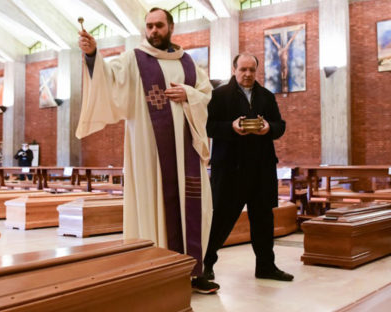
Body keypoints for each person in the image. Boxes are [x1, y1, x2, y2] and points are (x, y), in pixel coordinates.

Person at [77, 7, 218, 293]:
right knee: (154, 201)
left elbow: (206, 95)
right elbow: (108, 79)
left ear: (171, 28)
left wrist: (188, 95)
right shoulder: (133, 59)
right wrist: (93, 55)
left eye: (159, 26)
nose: (153, 31)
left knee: (196, 205)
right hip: (149, 152)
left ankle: (194, 271)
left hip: (186, 152)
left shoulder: (189, 63)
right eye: (149, 26)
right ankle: (154, 267)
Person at [201, 53, 293, 284]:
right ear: (234, 70)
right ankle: (205, 265)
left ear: (256, 71)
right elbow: (208, 126)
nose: (248, 74)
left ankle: (266, 266)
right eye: (243, 69)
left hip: (261, 169)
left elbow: (280, 126)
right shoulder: (219, 95)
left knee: (263, 219)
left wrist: (267, 127)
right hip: (230, 169)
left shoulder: (266, 96)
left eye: (252, 70)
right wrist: (231, 127)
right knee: (221, 219)